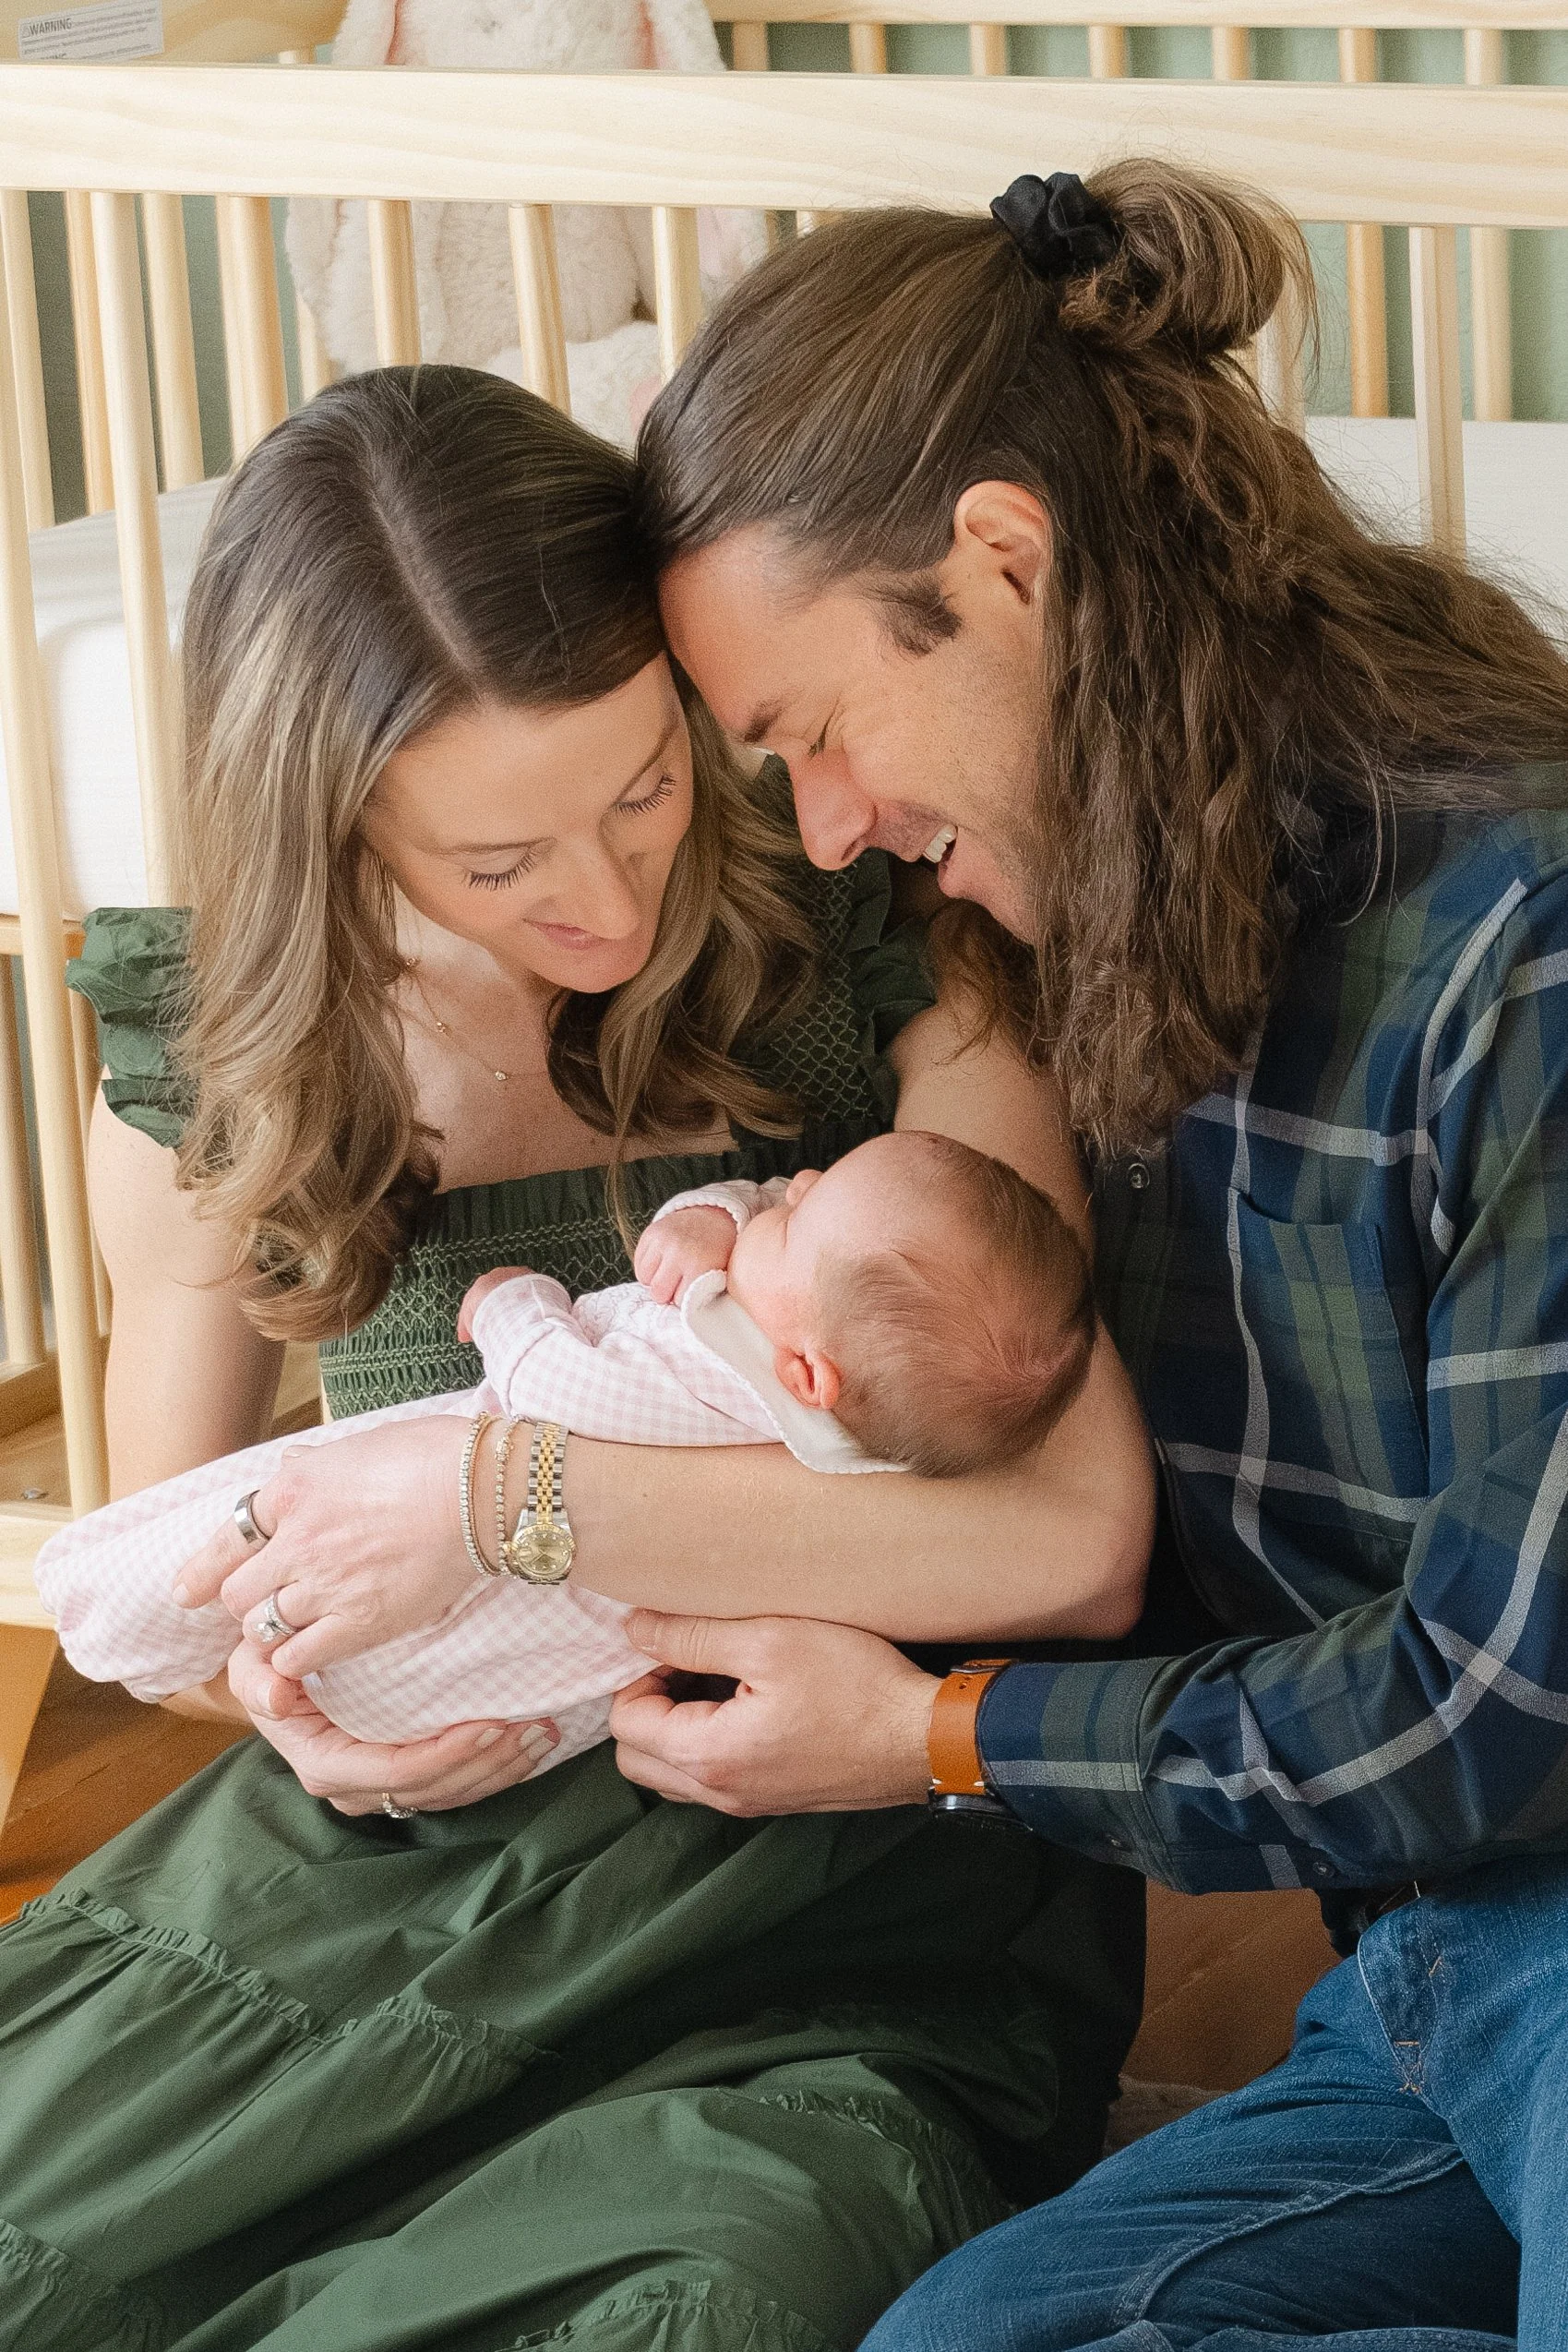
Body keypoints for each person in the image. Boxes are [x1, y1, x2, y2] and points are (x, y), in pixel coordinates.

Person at [0, 363, 1147, 2352]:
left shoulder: (866, 943)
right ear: (337, 815)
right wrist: (283, 1687)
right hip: (402, 1862)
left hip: (834, 1877)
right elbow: (186, 1582)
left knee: (695, 2299)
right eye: (496, 861)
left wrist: (499, 1499)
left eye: (641, 787)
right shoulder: (230, 1052)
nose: (605, 896)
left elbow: (1076, 1535)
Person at [622, 163, 1568, 2348]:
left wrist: (933, 1736)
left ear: (1003, 566)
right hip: (1418, 1977)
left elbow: (1494, 1710)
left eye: (812, 737)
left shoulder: (1512, 942)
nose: (831, 825)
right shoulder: (1073, 939)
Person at [36, 1130, 1105, 1747]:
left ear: (806, 1376)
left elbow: (565, 1393)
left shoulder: (717, 1371)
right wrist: (728, 1214)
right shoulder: (856, 1401)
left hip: (493, 1539)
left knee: (227, 1553)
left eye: (795, 1215)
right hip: (556, 1639)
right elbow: (776, 1208)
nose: (798, 1184)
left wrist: (514, 1303)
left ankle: (101, 1602)